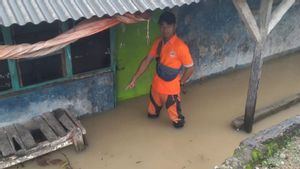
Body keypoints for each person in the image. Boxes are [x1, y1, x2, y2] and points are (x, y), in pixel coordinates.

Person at [126, 11, 194, 128]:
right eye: (162, 26)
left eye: (168, 26)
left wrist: (181, 82)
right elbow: (147, 60)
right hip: (156, 89)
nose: (165, 29)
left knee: (178, 124)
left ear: (174, 26)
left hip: (171, 92)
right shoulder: (158, 42)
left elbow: (190, 68)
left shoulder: (181, 47)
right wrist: (134, 78)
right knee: (151, 116)